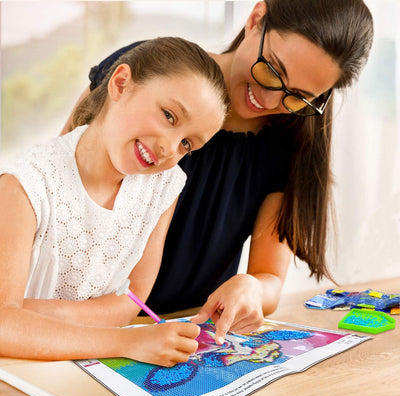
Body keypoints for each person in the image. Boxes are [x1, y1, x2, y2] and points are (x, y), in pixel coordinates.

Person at [62, 0, 374, 346]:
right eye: (272, 70)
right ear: (257, 19)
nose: (269, 100)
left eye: (298, 96)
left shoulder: (287, 141)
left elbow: (268, 276)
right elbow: (53, 186)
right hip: (81, 325)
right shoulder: (151, 72)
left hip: (184, 341)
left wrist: (252, 287)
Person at [0, 37, 229, 366]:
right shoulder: (25, 185)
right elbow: (4, 325)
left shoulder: (163, 186)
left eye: (187, 145)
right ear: (121, 84)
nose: (169, 148)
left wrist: (31, 315)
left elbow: (132, 298)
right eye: (168, 115)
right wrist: (125, 339)